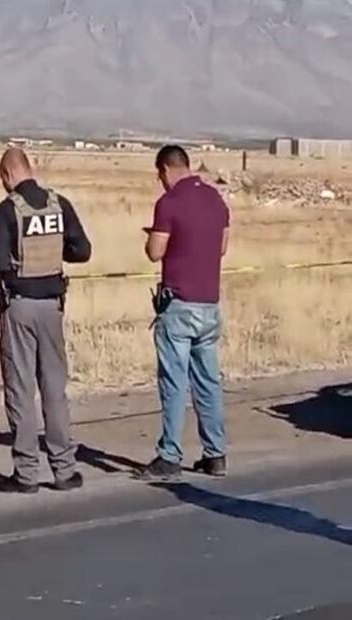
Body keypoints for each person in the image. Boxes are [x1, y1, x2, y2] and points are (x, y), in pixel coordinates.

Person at [0, 147, 92, 494]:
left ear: (6, 175)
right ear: (32, 168)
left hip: (19, 306)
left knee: (20, 389)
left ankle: (26, 474)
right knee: (54, 390)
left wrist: (19, 267)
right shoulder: (59, 204)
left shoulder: (6, 210)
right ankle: (64, 469)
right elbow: (82, 251)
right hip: (52, 306)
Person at [135, 144, 230, 482]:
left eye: (160, 175)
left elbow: (154, 251)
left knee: (174, 381)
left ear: (165, 169)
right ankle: (215, 453)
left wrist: (154, 238)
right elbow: (222, 246)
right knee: (208, 381)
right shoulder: (216, 200)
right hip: (210, 303)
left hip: (179, 304)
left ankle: (170, 455)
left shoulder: (169, 203)